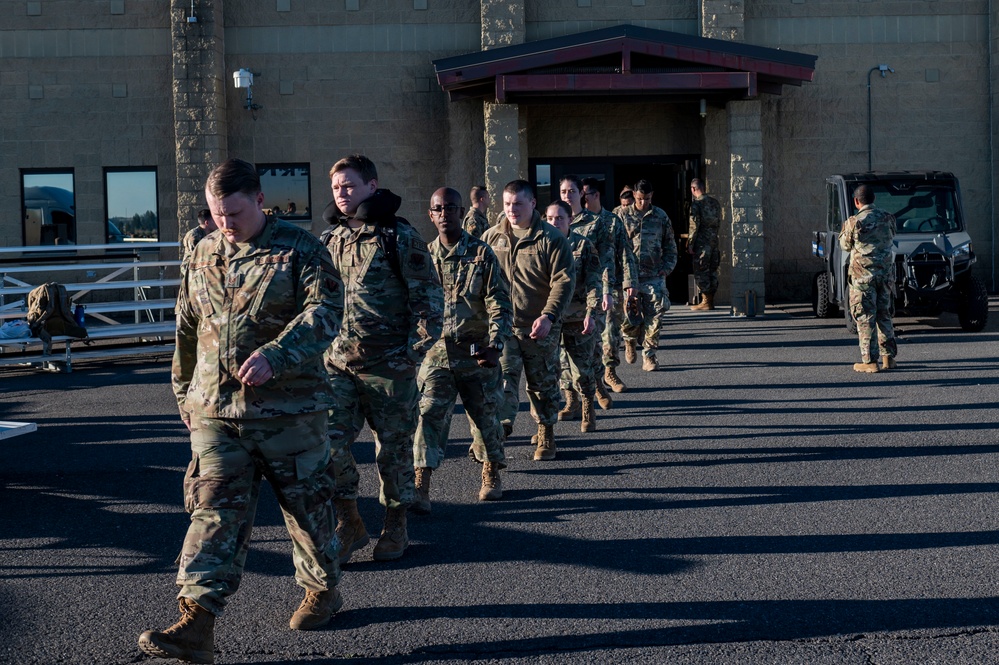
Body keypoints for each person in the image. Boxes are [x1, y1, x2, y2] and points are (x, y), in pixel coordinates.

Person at [138, 158, 345, 664]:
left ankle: (323, 587)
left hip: (288, 413)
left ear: (259, 200)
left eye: (233, 212)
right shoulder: (203, 252)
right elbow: (187, 327)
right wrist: (183, 391)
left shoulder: (301, 251)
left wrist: (278, 354)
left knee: (307, 513)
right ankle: (197, 622)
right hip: (216, 411)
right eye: (216, 214)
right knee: (212, 510)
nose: (225, 223)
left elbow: (325, 312)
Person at [322, 154, 443, 563]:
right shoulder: (331, 239)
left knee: (392, 452)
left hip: (389, 368)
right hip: (338, 366)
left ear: (372, 186)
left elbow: (430, 305)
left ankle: (395, 525)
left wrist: (410, 356)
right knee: (327, 446)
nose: (342, 194)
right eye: (337, 187)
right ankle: (350, 520)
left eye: (350, 186)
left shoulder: (398, 237)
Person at [411, 187, 512, 513]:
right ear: (431, 214)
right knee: (428, 417)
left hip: (476, 353)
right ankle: (421, 482)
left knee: (485, 418)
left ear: (460, 211)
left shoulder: (481, 254)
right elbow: (411, 307)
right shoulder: (423, 257)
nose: (444, 215)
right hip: (437, 354)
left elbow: (499, 303)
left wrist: (496, 344)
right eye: (438, 209)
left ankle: (491, 470)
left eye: (450, 208)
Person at [481, 180, 574, 461]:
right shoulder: (491, 237)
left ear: (533, 203)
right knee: (503, 380)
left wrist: (548, 316)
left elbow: (563, 282)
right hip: (504, 326)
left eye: (518, 203)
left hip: (540, 326)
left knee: (542, 383)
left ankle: (546, 430)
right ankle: (502, 428)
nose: (511, 210)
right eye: (507, 204)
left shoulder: (551, 238)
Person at [546, 201, 601, 432]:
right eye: (550, 218)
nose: (554, 222)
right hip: (551, 318)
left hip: (577, 316)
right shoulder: (542, 245)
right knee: (557, 366)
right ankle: (571, 403)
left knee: (582, 367)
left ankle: (588, 407)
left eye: (559, 218)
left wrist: (591, 312)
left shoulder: (583, 245)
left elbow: (593, 281)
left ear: (570, 220)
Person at [581, 177, 638, 398]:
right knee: (588, 337)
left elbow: (625, 254)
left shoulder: (612, 221)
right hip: (585, 289)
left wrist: (630, 283)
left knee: (611, 333)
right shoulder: (575, 222)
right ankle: (589, 380)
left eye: (584, 194)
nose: (580, 198)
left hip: (611, 285)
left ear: (595, 195)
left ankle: (610, 372)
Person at [617, 179, 678, 372]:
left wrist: (666, 267)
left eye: (647, 199)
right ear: (634, 195)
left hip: (653, 274)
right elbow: (611, 245)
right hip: (629, 275)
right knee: (629, 315)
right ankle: (629, 340)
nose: (643, 203)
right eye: (640, 199)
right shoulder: (620, 215)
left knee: (656, 315)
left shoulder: (660, 216)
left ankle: (650, 355)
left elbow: (670, 245)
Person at [838, 184, 898, 372]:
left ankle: (870, 361)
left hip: (863, 279)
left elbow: (845, 245)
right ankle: (888, 358)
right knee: (884, 314)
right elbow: (892, 236)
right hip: (885, 277)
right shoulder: (889, 218)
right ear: (873, 199)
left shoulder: (854, 222)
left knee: (865, 317)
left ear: (856, 201)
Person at [688, 178, 722, 311]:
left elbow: (694, 225)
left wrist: (690, 243)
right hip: (714, 241)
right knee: (712, 270)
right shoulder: (715, 203)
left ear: (693, 189)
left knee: (701, 271)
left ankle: (706, 301)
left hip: (702, 243)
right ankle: (710, 300)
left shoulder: (697, 204)